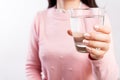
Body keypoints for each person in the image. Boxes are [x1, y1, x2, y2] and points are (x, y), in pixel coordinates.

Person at [25, 0, 119, 80]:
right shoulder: (40, 18)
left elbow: (110, 77)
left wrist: (98, 57)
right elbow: (32, 67)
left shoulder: (97, 18)